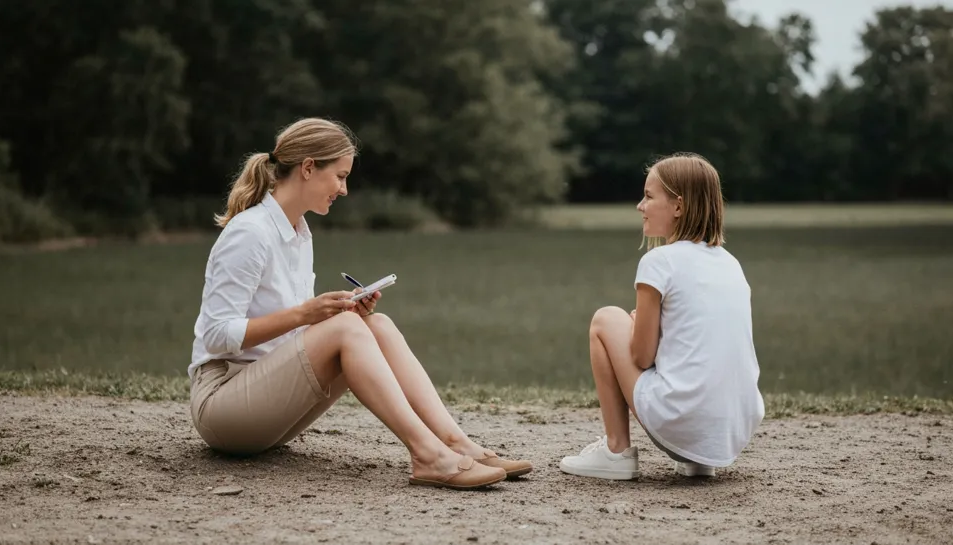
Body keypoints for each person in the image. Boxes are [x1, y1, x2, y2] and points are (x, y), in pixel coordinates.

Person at [188, 117, 532, 490]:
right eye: (340, 176)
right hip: (223, 406)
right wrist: (307, 314)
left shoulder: (299, 233)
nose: (345, 189)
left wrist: (335, 315)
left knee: (376, 325)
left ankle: (456, 443)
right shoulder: (250, 233)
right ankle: (427, 456)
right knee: (351, 329)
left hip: (267, 404)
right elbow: (216, 336)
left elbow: (291, 337)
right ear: (307, 169)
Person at [559, 152, 764, 480]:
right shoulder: (731, 263)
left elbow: (641, 356)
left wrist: (640, 323)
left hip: (679, 421)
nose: (640, 205)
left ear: (679, 207)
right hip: (732, 430)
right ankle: (699, 463)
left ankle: (616, 452)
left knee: (605, 320)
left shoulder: (659, 261)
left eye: (649, 196)